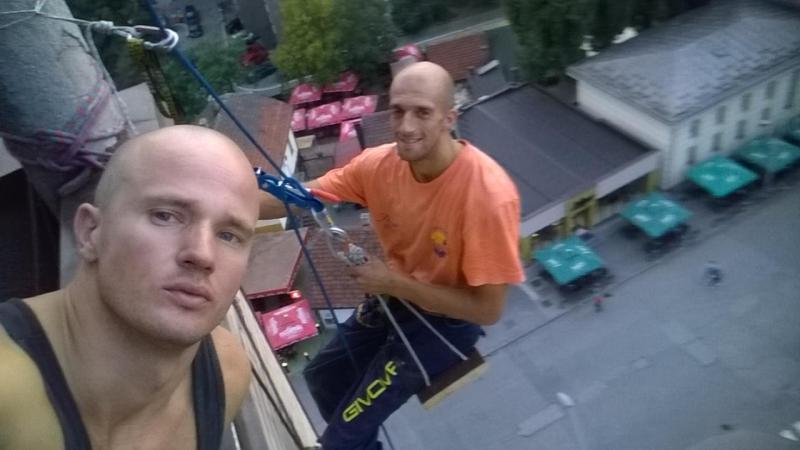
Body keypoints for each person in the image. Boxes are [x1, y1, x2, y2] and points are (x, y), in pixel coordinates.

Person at [259, 62, 524, 449]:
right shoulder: (379, 166)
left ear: (449, 118)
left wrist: (392, 283)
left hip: (444, 325)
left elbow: (487, 310)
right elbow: (301, 197)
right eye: (398, 111)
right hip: (395, 298)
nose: (406, 126)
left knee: (340, 440)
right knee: (321, 377)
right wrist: (226, 200)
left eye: (422, 113)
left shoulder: (486, 197)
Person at [0, 125, 259, 449]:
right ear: (90, 231)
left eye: (229, 235)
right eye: (165, 216)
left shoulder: (227, 372)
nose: (202, 254)